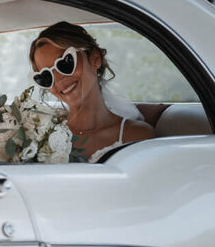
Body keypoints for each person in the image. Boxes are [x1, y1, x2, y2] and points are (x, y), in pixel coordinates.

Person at [29, 22, 154, 162]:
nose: (58, 80)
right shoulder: (37, 136)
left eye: (65, 63)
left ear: (95, 58)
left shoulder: (137, 135)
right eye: (46, 76)